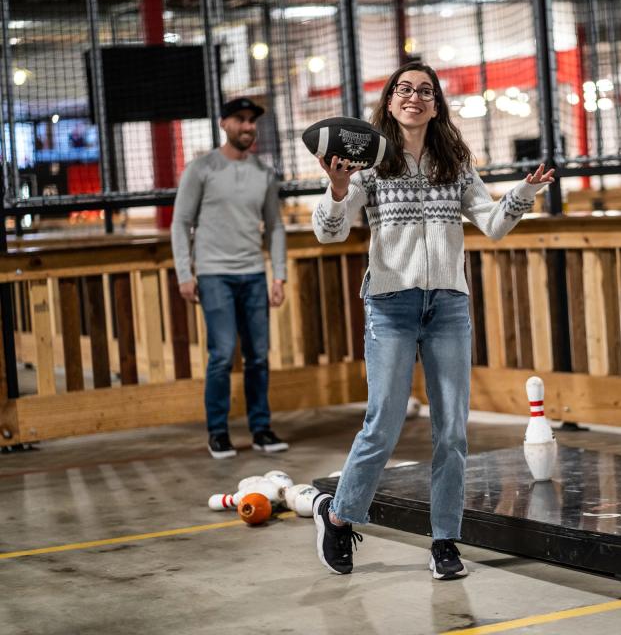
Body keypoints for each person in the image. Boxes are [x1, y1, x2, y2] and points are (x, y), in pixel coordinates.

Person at [310, 63, 555, 579]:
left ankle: (445, 541)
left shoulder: (455, 161)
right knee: (383, 425)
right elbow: (330, 234)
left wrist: (523, 194)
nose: (414, 97)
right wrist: (336, 188)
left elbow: (491, 224)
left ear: (437, 104)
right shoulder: (369, 163)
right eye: (404, 89)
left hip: (448, 305)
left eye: (425, 91)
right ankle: (339, 516)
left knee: (452, 433)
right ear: (391, 101)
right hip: (390, 306)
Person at [172, 97, 289, 459]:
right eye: (240, 120)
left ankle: (261, 429)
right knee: (221, 354)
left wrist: (279, 275)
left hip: (253, 273)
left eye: (252, 121)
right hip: (213, 274)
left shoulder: (264, 173)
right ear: (224, 123)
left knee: (258, 357)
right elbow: (180, 222)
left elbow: (275, 226)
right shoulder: (201, 168)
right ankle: (218, 432)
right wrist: (184, 273)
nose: (248, 126)